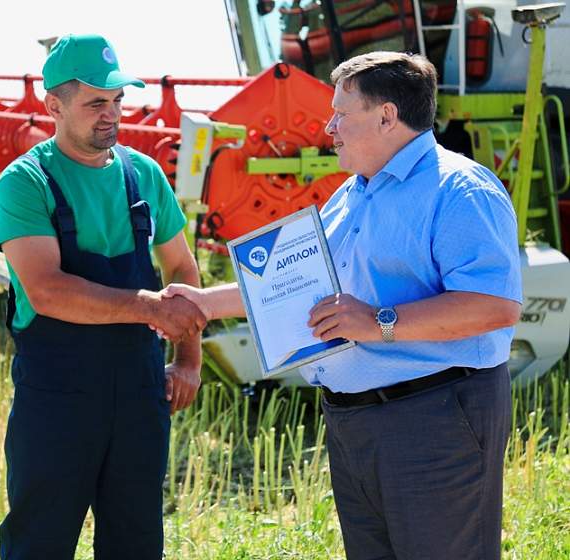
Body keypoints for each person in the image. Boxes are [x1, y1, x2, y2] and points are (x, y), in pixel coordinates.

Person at [163, 52, 521, 559]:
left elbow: (494, 306)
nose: (329, 126)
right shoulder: (353, 193)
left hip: (434, 419)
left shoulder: (460, 189)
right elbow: (291, 286)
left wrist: (378, 323)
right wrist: (202, 302)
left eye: (341, 113)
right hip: (356, 424)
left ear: (386, 116)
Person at [0, 34, 206, 559]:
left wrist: (188, 361)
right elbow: (46, 290)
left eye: (116, 101)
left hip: (138, 393)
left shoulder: (143, 174)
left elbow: (181, 267)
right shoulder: (27, 181)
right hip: (57, 398)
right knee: (39, 541)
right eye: (94, 103)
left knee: (135, 541)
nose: (111, 115)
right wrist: (149, 307)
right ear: (53, 106)